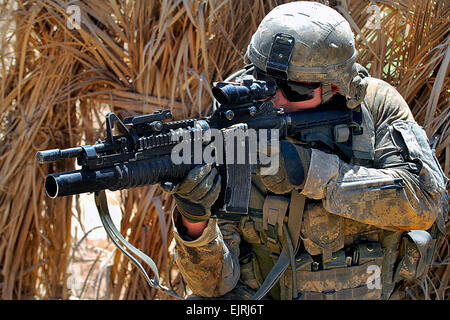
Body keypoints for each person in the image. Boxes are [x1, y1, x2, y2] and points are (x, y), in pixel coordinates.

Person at [162, 1, 448, 300]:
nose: (275, 99)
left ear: (336, 87)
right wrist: (194, 223)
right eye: (265, 83)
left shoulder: (375, 107)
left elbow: (424, 200)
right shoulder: (236, 119)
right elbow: (213, 286)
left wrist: (305, 169)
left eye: (296, 90)